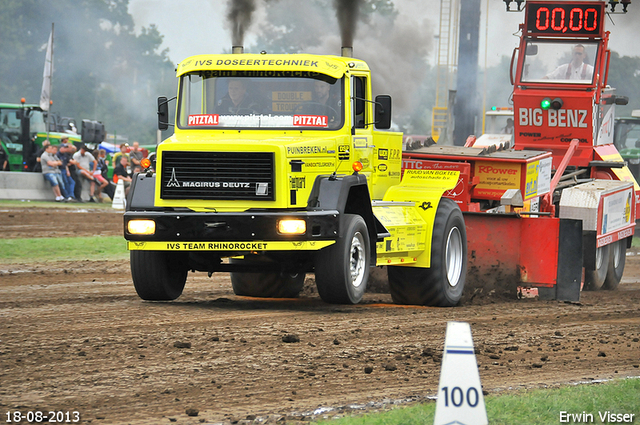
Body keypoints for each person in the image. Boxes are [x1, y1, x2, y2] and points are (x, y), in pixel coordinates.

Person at [57, 137, 78, 201]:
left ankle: (71, 196)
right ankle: (67, 196)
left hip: (65, 169)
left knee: (72, 182)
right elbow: (60, 163)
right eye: (65, 148)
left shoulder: (65, 154)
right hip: (60, 170)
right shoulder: (58, 154)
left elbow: (65, 164)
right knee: (65, 183)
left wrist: (67, 171)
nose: (66, 149)